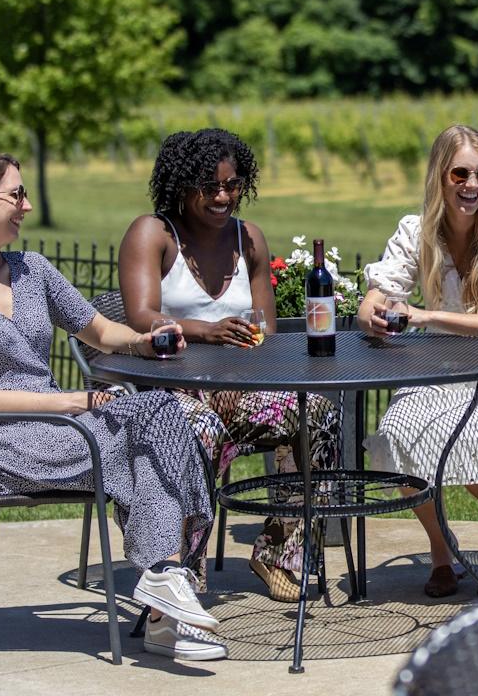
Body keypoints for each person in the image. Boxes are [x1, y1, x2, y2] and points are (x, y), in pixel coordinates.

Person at [0, 152, 227, 663]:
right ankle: (165, 599)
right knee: (151, 431)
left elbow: (99, 330)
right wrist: (69, 401)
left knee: (161, 413)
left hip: (63, 430)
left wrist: (144, 341)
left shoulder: (32, 269)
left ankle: (163, 587)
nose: (27, 205)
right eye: (16, 195)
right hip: (5, 444)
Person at [118, 128, 341, 604]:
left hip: (239, 392)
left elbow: (267, 330)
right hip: (170, 394)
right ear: (181, 184)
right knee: (194, 428)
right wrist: (206, 329)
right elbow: (141, 316)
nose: (223, 196)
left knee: (318, 411)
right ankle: (184, 571)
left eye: (232, 184)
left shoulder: (250, 239)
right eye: (210, 186)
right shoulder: (153, 235)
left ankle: (281, 551)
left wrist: (244, 371)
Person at [357, 124, 478, 598]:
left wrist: (424, 315)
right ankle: (442, 550)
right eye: (460, 173)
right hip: (437, 372)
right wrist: (372, 316)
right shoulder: (416, 230)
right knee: (400, 434)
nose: (472, 185)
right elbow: (376, 296)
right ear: (440, 177)